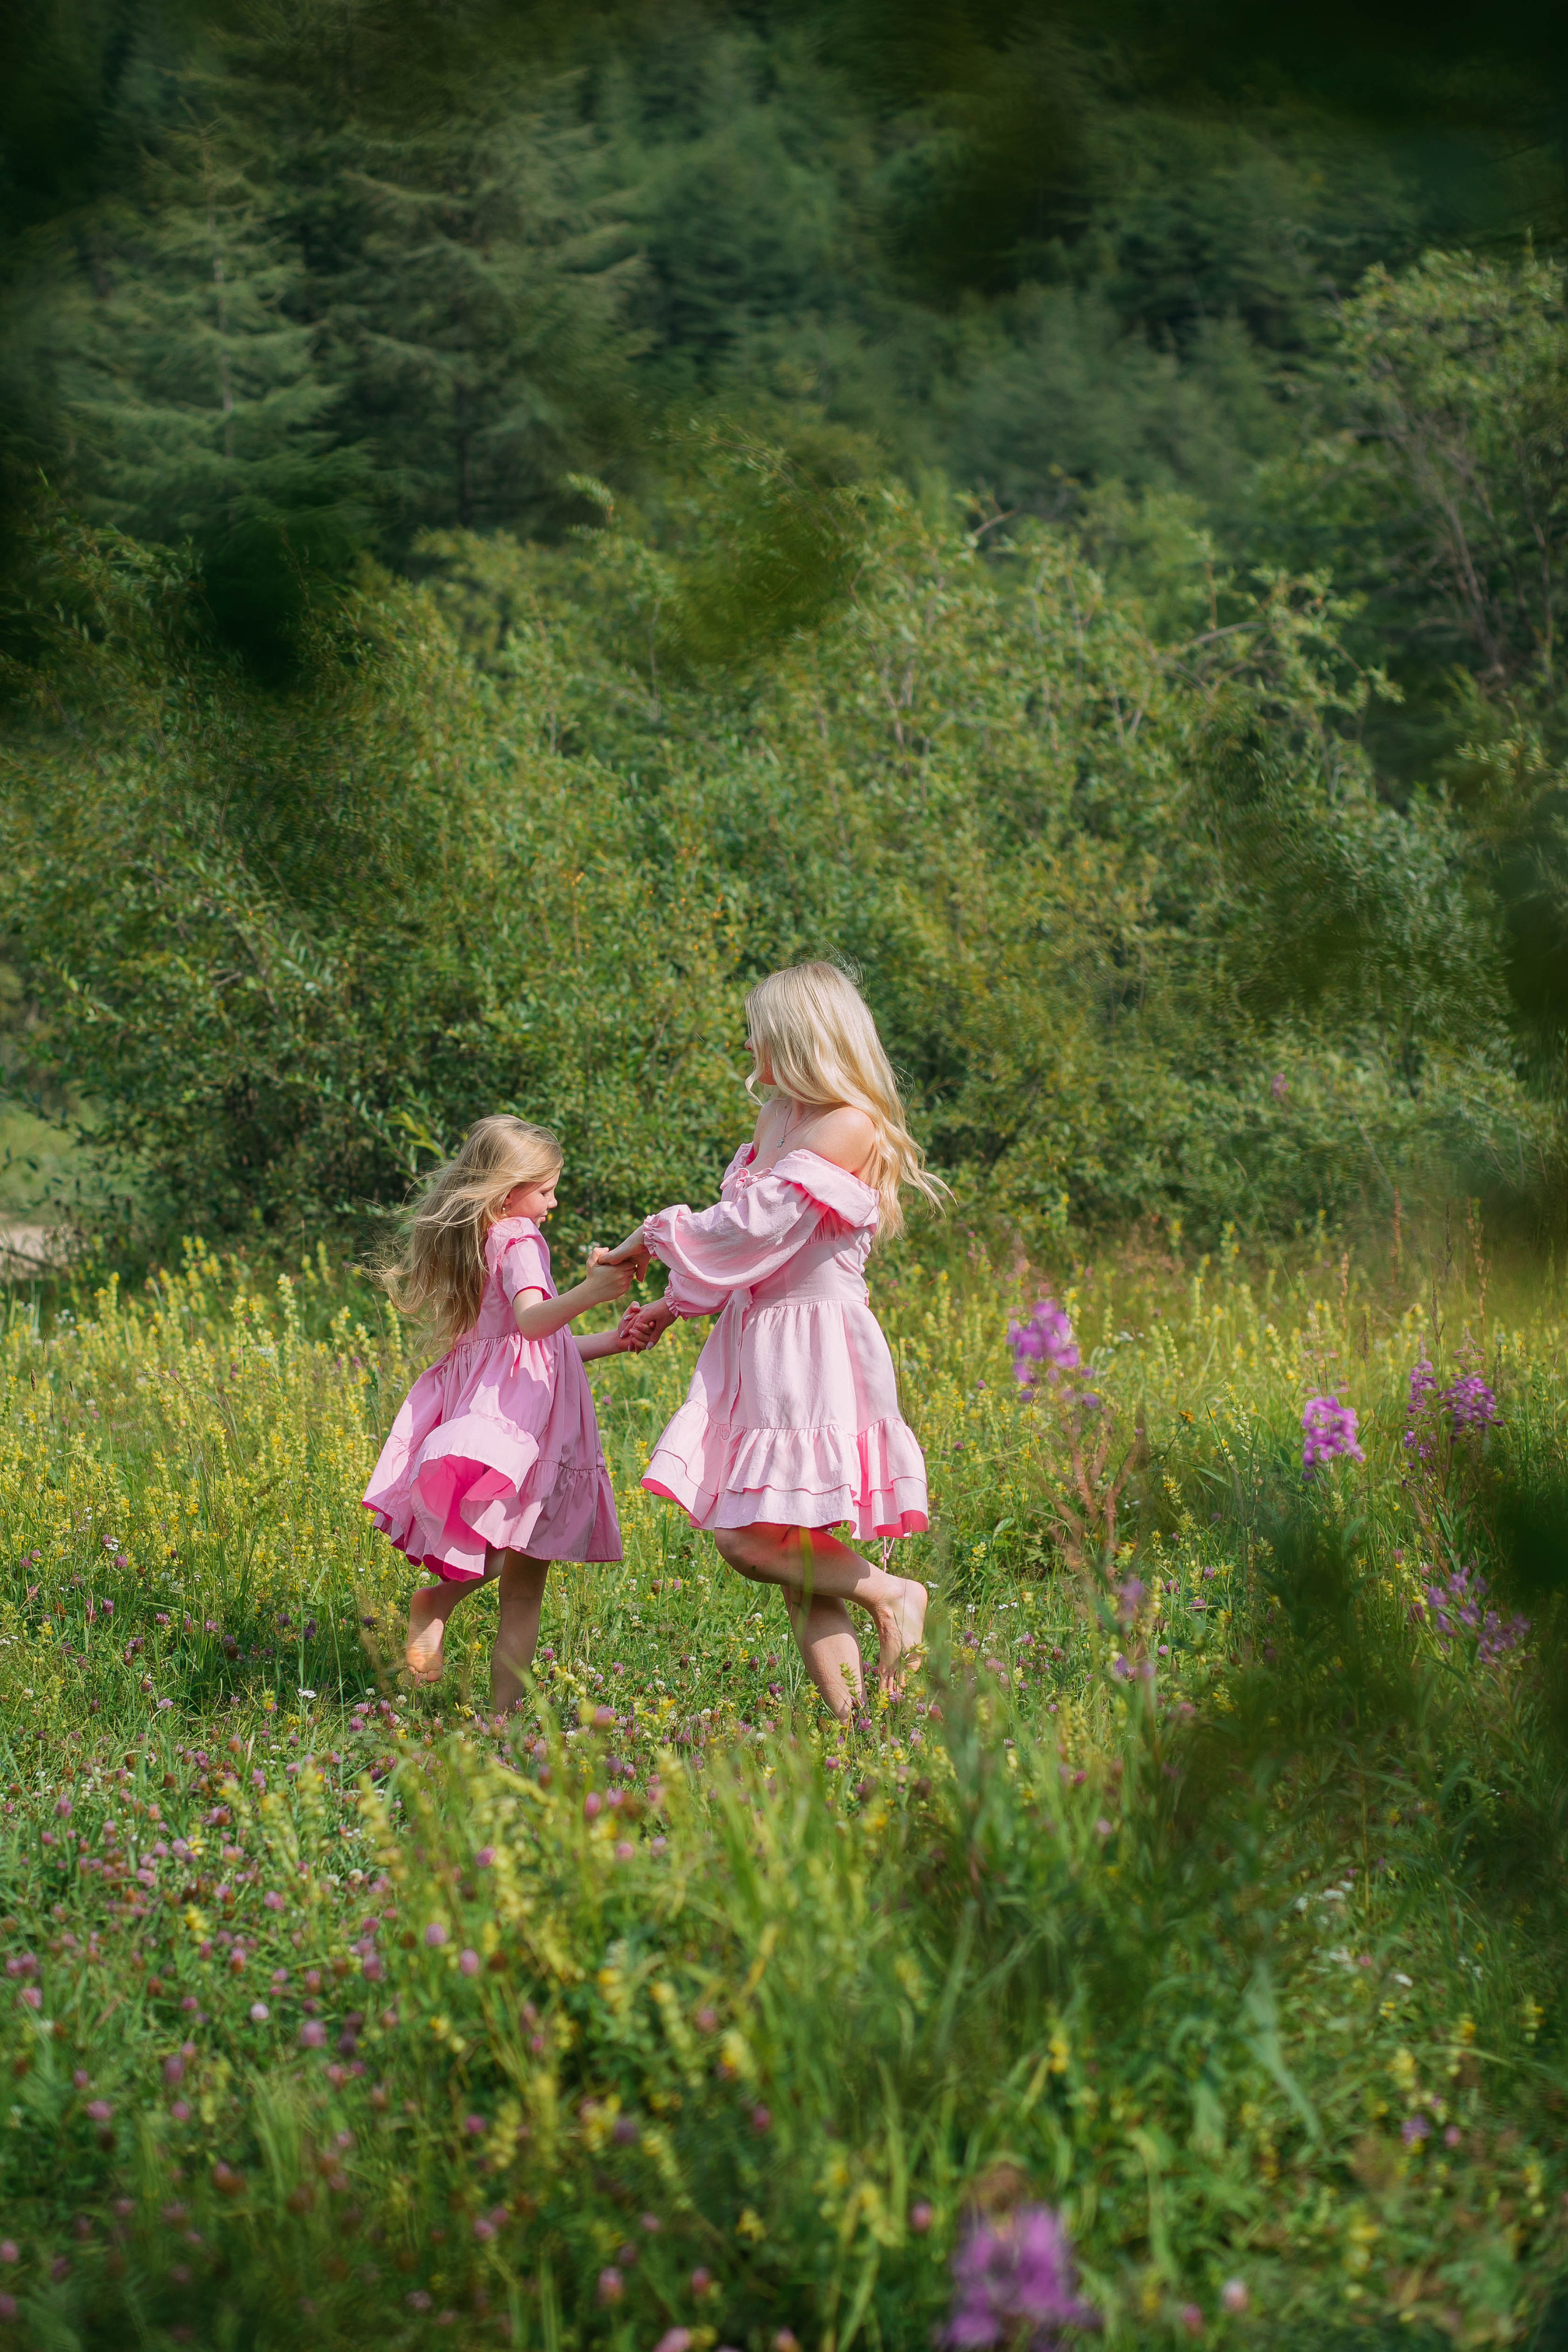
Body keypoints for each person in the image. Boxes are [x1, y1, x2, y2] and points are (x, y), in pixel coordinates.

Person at [601, 962, 944, 1720]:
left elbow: (752, 1227)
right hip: (758, 1340)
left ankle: (897, 1595)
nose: (748, 1040)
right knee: (797, 1563)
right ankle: (861, 1731)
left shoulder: (848, 1122)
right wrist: (670, 1306)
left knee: (746, 1538)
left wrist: (650, 1236)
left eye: (758, 1026)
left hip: (814, 1350)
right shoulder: (778, 1116)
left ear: (797, 1035)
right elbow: (750, 1255)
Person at [363, 1115, 638, 1714]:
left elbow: (538, 1341)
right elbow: (535, 1322)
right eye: (545, 1190)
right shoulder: (517, 1237)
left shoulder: (482, 1238)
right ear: (508, 1189)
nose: (553, 1203)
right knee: (523, 1584)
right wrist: (593, 1290)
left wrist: (609, 1340)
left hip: (507, 1411)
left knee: (508, 1559)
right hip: (530, 1426)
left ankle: (449, 1620)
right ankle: (497, 1711)